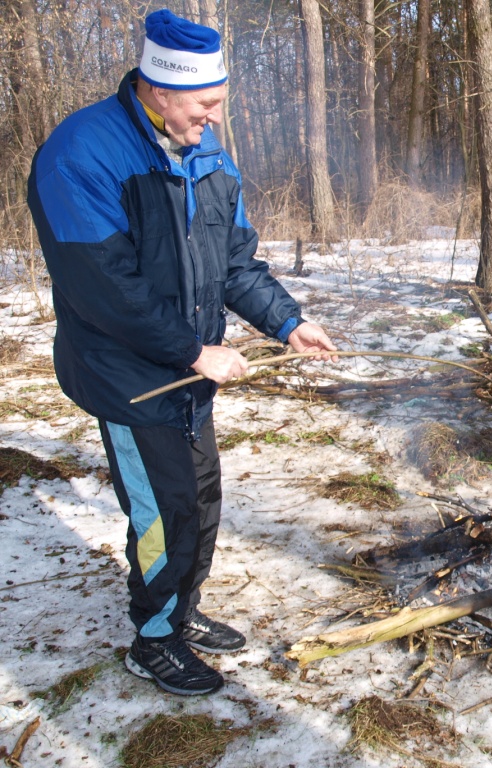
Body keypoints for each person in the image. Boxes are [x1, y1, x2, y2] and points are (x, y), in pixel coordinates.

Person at [27, 9, 337, 695]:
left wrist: (287, 323)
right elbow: (103, 288)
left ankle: (180, 607)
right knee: (164, 514)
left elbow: (235, 264)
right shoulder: (80, 154)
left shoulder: (205, 152)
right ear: (161, 89)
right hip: (130, 378)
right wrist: (194, 351)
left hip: (189, 372)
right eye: (206, 105)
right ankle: (154, 638)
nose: (216, 118)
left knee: (200, 500)